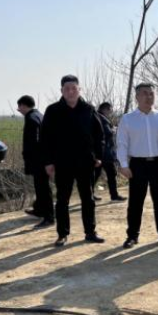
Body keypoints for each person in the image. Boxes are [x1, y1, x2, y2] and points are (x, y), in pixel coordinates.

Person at [41, 74, 105, 247]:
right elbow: (45, 139)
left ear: (79, 89)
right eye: (67, 89)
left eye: (74, 88)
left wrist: (98, 156)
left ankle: (90, 232)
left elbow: (99, 135)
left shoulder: (88, 109)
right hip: (62, 162)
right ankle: (62, 234)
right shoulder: (53, 111)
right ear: (62, 91)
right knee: (63, 200)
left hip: (85, 162)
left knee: (88, 198)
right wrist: (48, 162)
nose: (70, 92)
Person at [117, 83, 158, 249]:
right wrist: (124, 165)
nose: (149, 97)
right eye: (144, 93)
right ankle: (132, 236)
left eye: (151, 93)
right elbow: (122, 143)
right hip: (137, 165)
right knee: (135, 202)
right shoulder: (127, 119)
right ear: (137, 97)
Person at [17, 95, 54, 229]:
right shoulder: (39, 115)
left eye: (19, 107)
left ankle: (49, 217)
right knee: (41, 187)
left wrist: (30, 157)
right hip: (44, 159)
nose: (18, 110)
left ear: (23, 105)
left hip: (39, 160)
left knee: (43, 188)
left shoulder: (31, 119)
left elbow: (35, 142)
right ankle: (39, 210)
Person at [94, 102, 125, 202]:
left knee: (95, 174)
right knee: (111, 174)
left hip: (99, 152)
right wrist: (113, 130)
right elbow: (106, 133)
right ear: (105, 109)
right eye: (110, 110)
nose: (111, 112)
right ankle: (114, 196)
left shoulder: (96, 116)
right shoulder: (101, 118)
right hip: (105, 153)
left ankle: (88, 194)